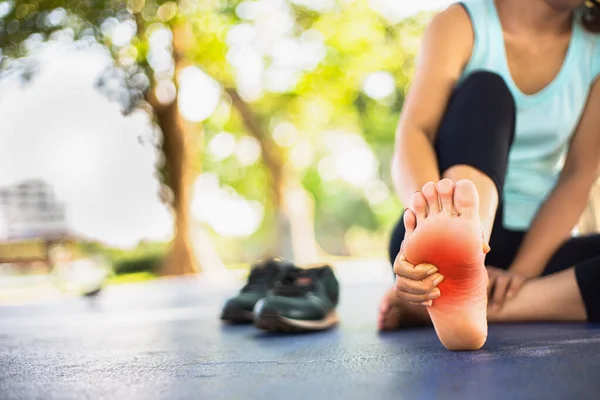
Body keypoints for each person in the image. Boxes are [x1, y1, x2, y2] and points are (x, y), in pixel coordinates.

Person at [378, 0, 600, 350]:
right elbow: (414, 133)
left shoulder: (595, 48)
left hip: (537, 251)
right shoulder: (462, 23)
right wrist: (426, 219)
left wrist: (522, 273)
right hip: (440, 242)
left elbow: (578, 176)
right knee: (487, 89)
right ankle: (462, 237)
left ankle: (470, 303)